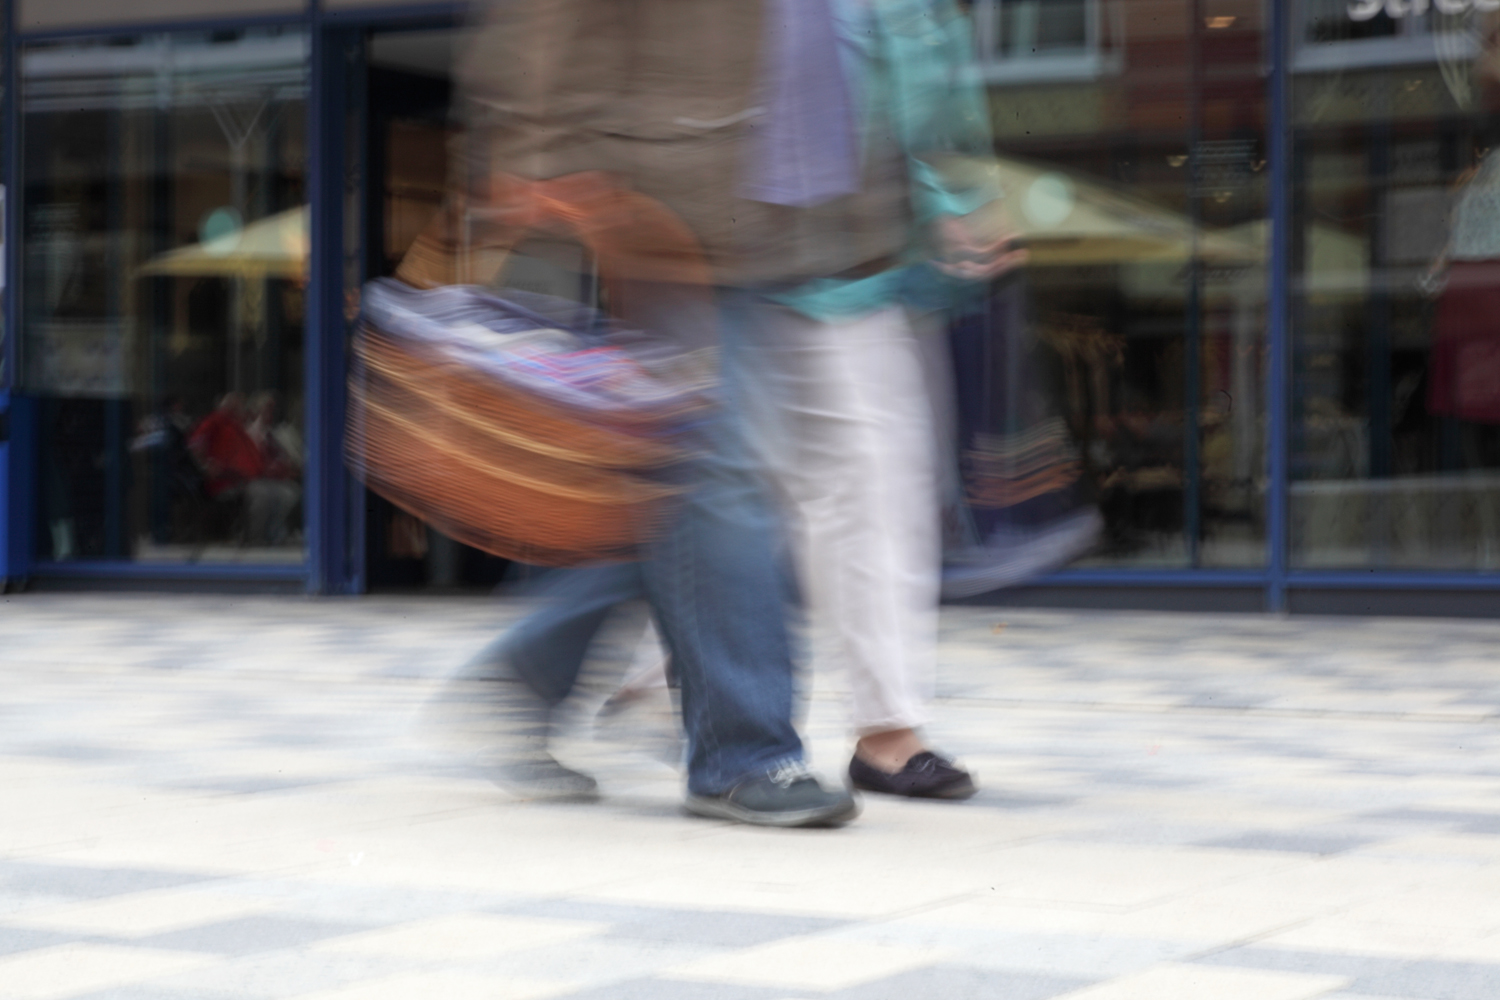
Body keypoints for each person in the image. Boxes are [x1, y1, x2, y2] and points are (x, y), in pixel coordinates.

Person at [422, 0, 1015, 819]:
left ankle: (527, 677)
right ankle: (743, 754)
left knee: (693, 476)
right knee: (717, 468)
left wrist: (926, 199)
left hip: (797, 226)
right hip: (668, 199)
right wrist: (534, 156)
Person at [189, 392, 301, 547]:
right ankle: (255, 538)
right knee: (262, 494)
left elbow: (255, 457)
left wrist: (270, 469)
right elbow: (195, 444)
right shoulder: (215, 421)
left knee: (286, 493)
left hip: (253, 478)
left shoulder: (238, 428)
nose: (243, 409)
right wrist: (206, 465)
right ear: (229, 407)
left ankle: (274, 535)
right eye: (239, 406)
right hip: (229, 481)